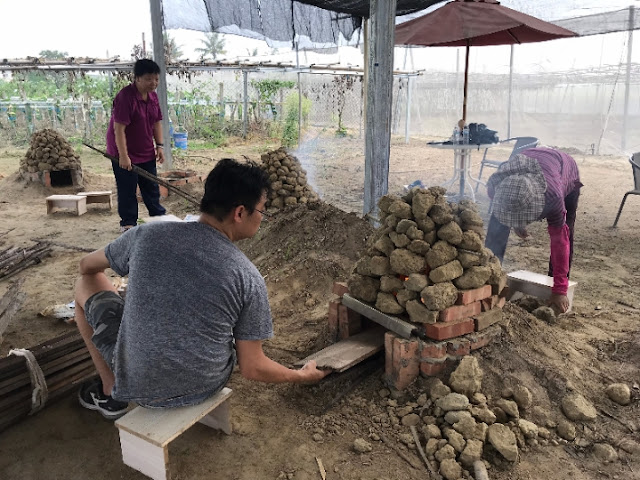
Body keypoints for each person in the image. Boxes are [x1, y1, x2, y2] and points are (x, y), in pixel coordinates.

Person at [74, 158, 327, 419]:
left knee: (85, 282)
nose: (263, 218)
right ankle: (114, 387)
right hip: (203, 386)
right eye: (262, 211)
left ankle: (110, 389)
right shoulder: (247, 276)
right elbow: (253, 367)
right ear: (240, 213)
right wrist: (301, 376)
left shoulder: (147, 236)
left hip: (136, 381)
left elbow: (86, 266)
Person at [484, 147, 582, 314]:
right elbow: (505, 212)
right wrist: (517, 222)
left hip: (565, 169)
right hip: (531, 158)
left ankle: (556, 292)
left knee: (566, 231)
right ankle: (490, 275)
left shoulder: (553, 198)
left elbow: (560, 243)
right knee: (497, 225)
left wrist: (560, 290)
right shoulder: (496, 184)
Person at [106, 58, 166, 232]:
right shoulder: (125, 97)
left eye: (156, 79)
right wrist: (123, 156)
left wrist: (159, 146)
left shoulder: (153, 97)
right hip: (123, 150)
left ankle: (158, 217)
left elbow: (156, 122)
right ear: (137, 78)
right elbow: (118, 129)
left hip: (145, 148)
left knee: (151, 185)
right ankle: (128, 224)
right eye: (149, 79)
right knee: (127, 188)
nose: (153, 83)